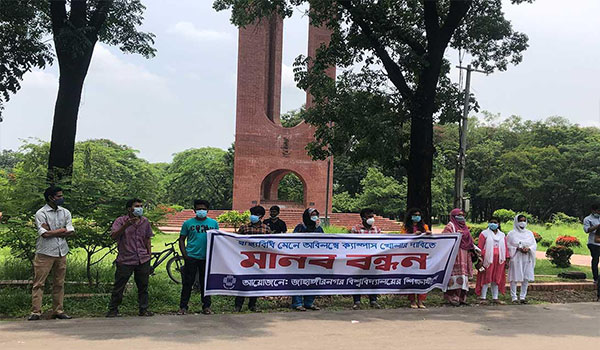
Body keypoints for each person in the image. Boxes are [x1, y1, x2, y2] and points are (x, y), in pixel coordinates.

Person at [29, 186, 75, 321]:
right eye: (59, 196)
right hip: (45, 252)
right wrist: (62, 230)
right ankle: (36, 311)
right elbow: (44, 234)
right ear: (51, 198)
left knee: (59, 282)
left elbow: (71, 231)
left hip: (61, 251)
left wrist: (54, 231)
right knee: (39, 283)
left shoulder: (65, 212)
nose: (61, 198)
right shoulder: (41, 213)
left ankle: (58, 310)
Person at [106, 199, 154, 317]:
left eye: (141, 206)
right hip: (126, 259)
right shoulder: (120, 221)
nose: (139, 208)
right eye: (137, 206)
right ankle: (113, 309)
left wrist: (149, 255)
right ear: (129, 208)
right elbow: (113, 235)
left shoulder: (145, 221)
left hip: (142, 258)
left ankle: (143, 309)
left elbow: (147, 239)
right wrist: (126, 226)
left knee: (143, 286)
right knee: (119, 286)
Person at [177, 200, 219, 315]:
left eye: (203, 209)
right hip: (191, 256)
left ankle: (206, 306)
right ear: (194, 210)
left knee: (205, 283)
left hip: (206, 257)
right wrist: (185, 255)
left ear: (207, 210)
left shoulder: (213, 223)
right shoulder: (188, 223)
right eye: (199, 209)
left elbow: (218, 239)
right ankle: (183, 307)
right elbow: (181, 239)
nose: (201, 211)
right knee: (187, 282)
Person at [235, 205, 271, 312]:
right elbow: (235, 241)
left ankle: (252, 304)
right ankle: (238, 305)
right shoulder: (244, 228)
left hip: (259, 260)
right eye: (252, 214)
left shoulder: (266, 229)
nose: (253, 216)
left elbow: (271, 243)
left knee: (255, 282)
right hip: (245, 259)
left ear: (261, 216)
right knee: (242, 282)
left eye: (255, 214)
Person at [291, 208, 324, 311]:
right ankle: (297, 303)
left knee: (313, 280)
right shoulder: (300, 228)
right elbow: (292, 242)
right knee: (299, 280)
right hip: (300, 259)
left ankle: (309, 303)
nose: (315, 217)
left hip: (314, 259)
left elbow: (325, 243)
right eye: (312, 215)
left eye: (316, 215)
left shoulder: (319, 229)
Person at [442, 208, 476, 306]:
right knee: (454, 276)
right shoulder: (450, 226)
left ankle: (462, 298)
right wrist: (455, 235)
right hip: (455, 255)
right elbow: (445, 239)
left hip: (465, 255)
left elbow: (469, 241)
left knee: (463, 276)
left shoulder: (465, 227)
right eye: (459, 215)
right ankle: (452, 298)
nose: (461, 217)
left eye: (462, 215)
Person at [350, 208, 381, 310]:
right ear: (363, 218)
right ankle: (357, 301)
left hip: (373, 259)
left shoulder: (377, 230)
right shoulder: (356, 229)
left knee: (373, 280)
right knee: (358, 280)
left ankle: (373, 300)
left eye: (372, 216)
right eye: (369, 216)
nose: (372, 218)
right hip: (359, 259)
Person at [400, 208, 432, 309]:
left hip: (422, 255)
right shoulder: (405, 227)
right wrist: (413, 236)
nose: (417, 217)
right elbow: (401, 239)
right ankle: (412, 300)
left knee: (422, 278)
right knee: (411, 278)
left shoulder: (424, 226)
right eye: (414, 215)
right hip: (409, 255)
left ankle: (420, 300)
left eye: (418, 215)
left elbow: (430, 238)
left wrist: (429, 234)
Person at [475, 217, 509, 305]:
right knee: (486, 277)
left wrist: (507, 259)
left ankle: (495, 297)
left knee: (496, 278)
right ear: (488, 223)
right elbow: (480, 247)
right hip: (487, 259)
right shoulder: (484, 234)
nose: (493, 224)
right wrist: (480, 258)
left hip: (499, 260)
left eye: (495, 222)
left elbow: (505, 248)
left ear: (498, 224)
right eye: (491, 222)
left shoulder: (502, 235)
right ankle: (483, 297)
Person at [507, 214, 536, 304]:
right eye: (520, 221)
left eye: (524, 220)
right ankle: (514, 297)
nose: (522, 223)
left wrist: (529, 248)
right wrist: (517, 248)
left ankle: (523, 296)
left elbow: (534, 244)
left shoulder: (529, 233)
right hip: (516, 257)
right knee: (514, 277)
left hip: (527, 257)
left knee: (526, 278)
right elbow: (508, 245)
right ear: (516, 221)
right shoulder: (511, 234)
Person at [583, 203, 600, 300]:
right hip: (593, 243)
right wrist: (597, 226)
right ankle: (595, 278)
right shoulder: (588, 219)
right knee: (595, 259)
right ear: (593, 210)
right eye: (597, 211)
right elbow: (586, 230)